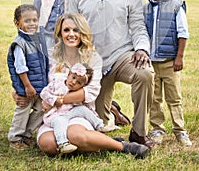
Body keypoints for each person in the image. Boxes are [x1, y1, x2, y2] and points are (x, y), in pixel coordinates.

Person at [68, 0, 155, 149]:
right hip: (91, 62)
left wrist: (141, 48)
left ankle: (139, 132)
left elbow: (138, 27)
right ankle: (112, 112)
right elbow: (69, 27)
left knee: (145, 74)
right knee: (97, 128)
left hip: (122, 56)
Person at [37, 12, 149, 158]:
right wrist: (20, 91)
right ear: (60, 32)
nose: (71, 34)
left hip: (78, 111)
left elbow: (90, 92)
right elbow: (37, 81)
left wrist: (57, 100)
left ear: (82, 32)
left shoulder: (92, 58)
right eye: (66, 30)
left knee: (75, 135)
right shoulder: (51, 56)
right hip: (54, 115)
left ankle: (122, 146)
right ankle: (95, 141)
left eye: (76, 30)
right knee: (49, 145)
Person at [143, 0, 192, 146]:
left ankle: (180, 131)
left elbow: (183, 33)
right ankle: (157, 129)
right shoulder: (145, 9)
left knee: (174, 97)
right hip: (151, 63)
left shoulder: (176, 6)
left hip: (170, 62)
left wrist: (179, 57)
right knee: (154, 98)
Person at [7, 4, 49, 150]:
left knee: (42, 109)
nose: (31, 24)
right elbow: (20, 68)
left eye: (34, 20)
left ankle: (27, 134)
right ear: (17, 23)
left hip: (39, 86)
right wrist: (27, 86)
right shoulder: (20, 43)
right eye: (27, 21)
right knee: (23, 110)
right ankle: (15, 137)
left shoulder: (38, 39)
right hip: (27, 87)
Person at [40, 62, 104, 154]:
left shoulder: (76, 91)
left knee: (82, 109)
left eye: (79, 82)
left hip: (69, 113)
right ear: (69, 74)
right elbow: (44, 93)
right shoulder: (57, 83)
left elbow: (85, 103)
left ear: (82, 86)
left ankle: (99, 125)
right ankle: (63, 143)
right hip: (55, 115)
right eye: (73, 78)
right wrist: (54, 100)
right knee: (60, 122)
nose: (74, 82)